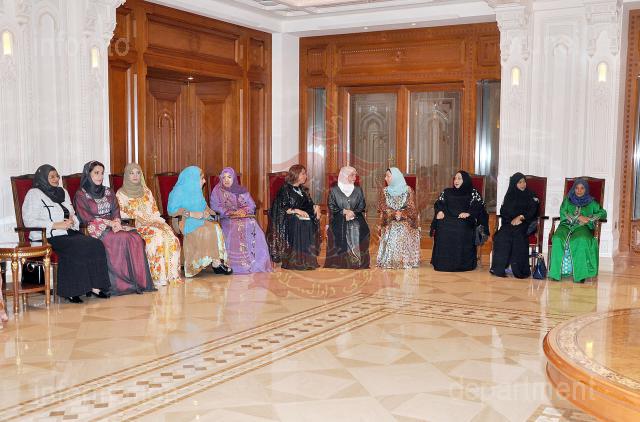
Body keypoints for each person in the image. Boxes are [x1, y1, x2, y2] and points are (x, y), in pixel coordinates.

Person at [22, 164, 111, 303]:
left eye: (57, 176)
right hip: (47, 236)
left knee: (95, 244)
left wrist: (72, 221)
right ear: (43, 178)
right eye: (51, 176)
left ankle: (95, 286)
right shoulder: (34, 194)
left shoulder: (62, 192)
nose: (56, 179)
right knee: (75, 246)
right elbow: (29, 221)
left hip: (67, 232)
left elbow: (72, 214)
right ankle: (71, 291)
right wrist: (55, 225)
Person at [74, 161, 155, 295]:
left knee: (135, 237)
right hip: (95, 229)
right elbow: (85, 218)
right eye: (96, 173)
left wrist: (116, 221)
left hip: (112, 226)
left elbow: (115, 210)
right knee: (122, 238)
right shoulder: (81, 194)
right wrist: (109, 223)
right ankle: (120, 285)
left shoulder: (108, 191)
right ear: (88, 174)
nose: (100, 176)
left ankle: (139, 282)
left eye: (102, 173)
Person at [116, 163, 182, 286]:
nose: (135, 176)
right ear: (126, 175)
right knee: (157, 237)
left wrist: (155, 222)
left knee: (171, 236)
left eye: (138, 173)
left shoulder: (146, 191)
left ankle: (172, 275)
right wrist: (139, 220)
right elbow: (122, 215)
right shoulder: (120, 194)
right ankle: (158, 277)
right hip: (135, 226)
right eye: (131, 173)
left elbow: (155, 211)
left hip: (152, 222)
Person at [167, 166, 232, 278]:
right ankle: (195, 264)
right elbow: (172, 211)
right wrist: (192, 214)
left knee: (215, 227)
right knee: (205, 230)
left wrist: (210, 214)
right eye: (202, 178)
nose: (204, 181)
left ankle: (216, 262)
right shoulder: (177, 192)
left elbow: (205, 207)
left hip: (199, 218)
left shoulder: (197, 191)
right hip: (182, 220)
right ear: (192, 179)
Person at [210, 167, 272, 274]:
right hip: (227, 219)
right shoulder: (217, 191)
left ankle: (255, 262)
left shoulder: (241, 190)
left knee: (252, 223)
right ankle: (237, 264)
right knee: (238, 225)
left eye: (229, 177)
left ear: (234, 178)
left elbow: (251, 205)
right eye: (224, 177)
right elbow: (215, 207)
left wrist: (243, 211)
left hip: (244, 216)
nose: (226, 180)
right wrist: (231, 212)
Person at [548, 179, 607, 282]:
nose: (579, 190)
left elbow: (603, 213)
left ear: (586, 189)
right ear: (573, 189)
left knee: (581, 239)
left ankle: (580, 275)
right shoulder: (567, 201)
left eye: (582, 188)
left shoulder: (592, 203)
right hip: (566, 225)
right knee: (557, 238)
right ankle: (556, 273)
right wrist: (578, 217)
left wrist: (589, 218)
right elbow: (563, 212)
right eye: (577, 188)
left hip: (583, 227)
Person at [430, 170, 488, 272]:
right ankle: (443, 262)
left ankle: (460, 263)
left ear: (465, 180)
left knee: (460, 226)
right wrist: (439, 212)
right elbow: (439, 204)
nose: (456, 181)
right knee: (441, 225)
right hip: (448, 218)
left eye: (459, 178)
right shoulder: (447, 192)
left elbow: (479, 206)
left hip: (465, 220)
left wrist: (469, 213)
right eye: (455, 178)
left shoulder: (473, 192)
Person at [267, 164, 320, 270]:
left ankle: (307, 260)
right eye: (303, 174)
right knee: (298, 221)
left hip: (302, 217)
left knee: (308, 221)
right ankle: (295, 260)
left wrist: (315, 207)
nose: (305, 176)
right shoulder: (285, 189)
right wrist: (296, 211)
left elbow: (309, 205)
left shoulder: (303, 190)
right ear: (295, 174)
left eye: (305, 174)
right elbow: (281, 207)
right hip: (287, 218)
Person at [490, 172, 539, 278]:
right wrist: (512, 220)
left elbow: (533, 211)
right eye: (519, 182)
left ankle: (519, 270)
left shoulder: (531, 195)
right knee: (502, 235)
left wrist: (521, 217)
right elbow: (503, 211)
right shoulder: (509, 196)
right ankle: (499, 268)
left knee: (518, 235)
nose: (523, 184)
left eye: (524, 182)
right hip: (509, 223)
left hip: (525, 223)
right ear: (514, 184)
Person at [325, 166, 370, 269]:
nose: (355, 178)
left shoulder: (358, 189)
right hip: (338, 218)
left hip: (356, 217)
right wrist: (344, 212)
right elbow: (331, 205)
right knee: (339, 229)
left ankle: (357, 261)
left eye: (355, 175)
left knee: (360, 229)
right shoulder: (334, 190)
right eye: (352, 175)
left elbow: (362, 205)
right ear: (345, 176)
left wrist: (353, 213)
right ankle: (342, 262)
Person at [376, 167, 420, 269]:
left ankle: (404, 260)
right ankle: (390, 260)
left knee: (403, 228)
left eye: (388, 176)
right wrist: (393, 213)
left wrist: (403, 214)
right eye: (385, 176)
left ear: (395, 177)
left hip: (406, 220)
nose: (385, 178)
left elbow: (412, 208)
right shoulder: (385, 191)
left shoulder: (408, 190)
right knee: (392, 228)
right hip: (389, 220)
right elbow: (381, 207)